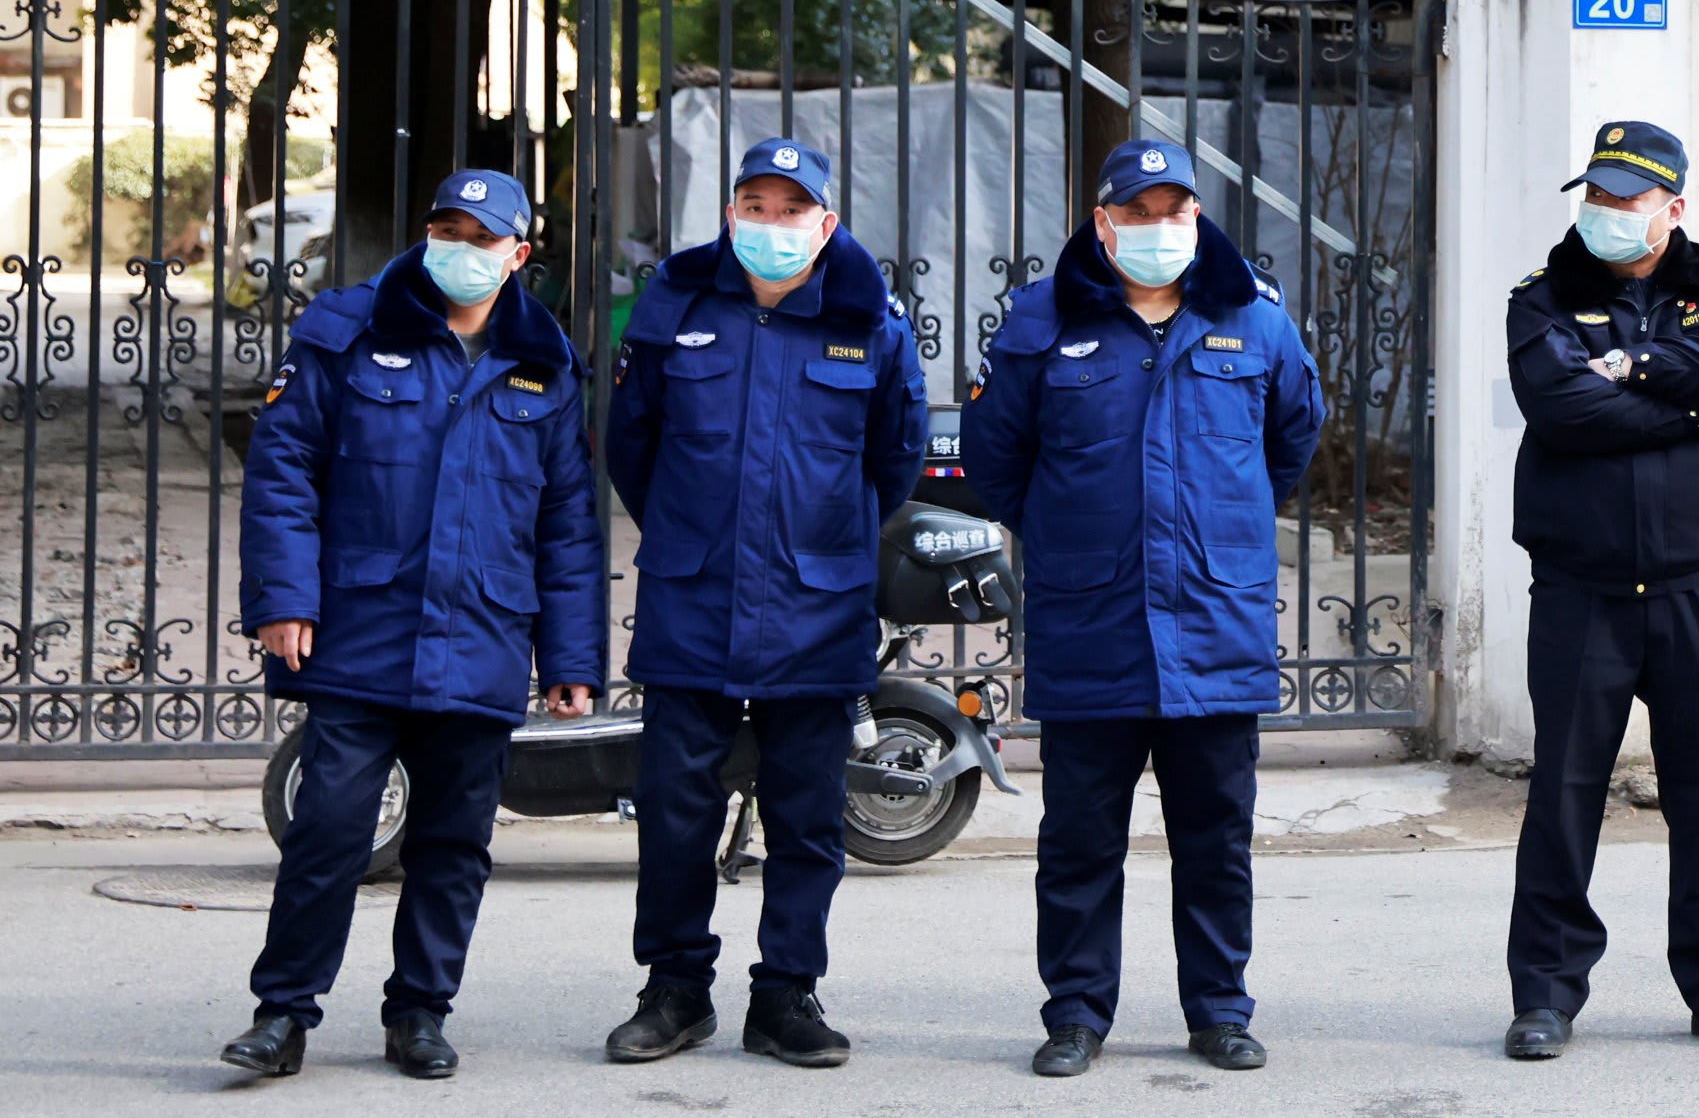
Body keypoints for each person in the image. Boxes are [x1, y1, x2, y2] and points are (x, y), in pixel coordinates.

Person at [222, 171, 604, 1080]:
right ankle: (283, 1012)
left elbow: (568, 524)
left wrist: (572, 655)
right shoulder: (346, 333)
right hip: (361, 630)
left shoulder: (544, 365)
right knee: (329, 828)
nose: (460, 248)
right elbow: (283, 473)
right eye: (446, 227)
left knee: (453, 843)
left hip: (482, 636)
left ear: (518, 255)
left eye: (483, 236)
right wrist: (283, 599)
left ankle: (421, 1011)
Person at [960, 136, 1323, 1076]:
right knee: (1080, 840)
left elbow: (1291, 441)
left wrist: (1220, 521)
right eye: (1140, 212)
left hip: (1215, 618)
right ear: (1104, 221)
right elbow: (998, 460)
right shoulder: (1043, 321)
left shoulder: (1255, 317)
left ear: (1197, 218)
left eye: (1176, 211)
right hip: (1093, 622)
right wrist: (1072, 527)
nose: (1160, 228)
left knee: (1216, 839)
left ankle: (1219, 1008)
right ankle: (1077, 1011)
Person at [601, 137, 927, 1068]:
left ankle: (786, 994)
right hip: (693, 596)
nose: (771, 224)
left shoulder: (870, 324)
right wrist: (693, 527)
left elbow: (891, 460)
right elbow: (634, 448)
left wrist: (822, 535)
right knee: (672, 810)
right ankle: (674, 989)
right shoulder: (676, 306)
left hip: (816, 606)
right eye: (756, 205)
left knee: (806, 816)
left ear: (825, 224)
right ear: (730, 213)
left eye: (793, 210)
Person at [1497, 120, 1699, 1062]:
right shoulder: (1543, 300)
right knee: (1565, 790)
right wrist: (1693, 410)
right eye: (1599, 195)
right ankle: (1545, 990)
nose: (1608, 213)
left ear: (1673, 208)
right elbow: (1562, 408)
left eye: (1627, 198)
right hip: (1583, 589)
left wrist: (1640, 364)